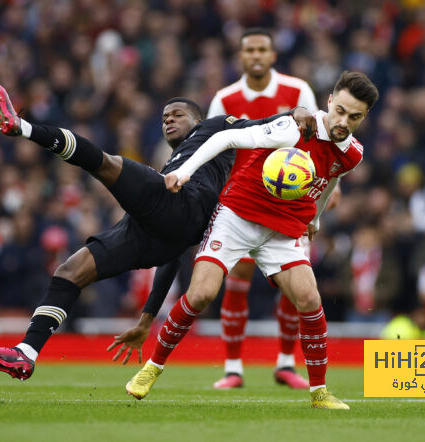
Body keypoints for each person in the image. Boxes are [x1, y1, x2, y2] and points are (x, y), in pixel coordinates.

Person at [0, 83, 315, 379]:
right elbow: (173, 253)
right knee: (71, 271)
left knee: (106, 163)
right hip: (161, 232)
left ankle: (22, 128)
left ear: (197, 119)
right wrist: (147, 319)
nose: (169, 118)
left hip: (184, 202)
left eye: (177, 113)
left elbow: (260, 124)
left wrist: (295, 112)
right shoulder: (174, 164)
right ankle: (26, 353)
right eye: (165, 116)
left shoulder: (215, 126)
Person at [123, 71, 379, 409]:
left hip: (283, 228)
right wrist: (184, 172)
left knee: (309, 300)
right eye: (340, 111)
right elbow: (227, 139)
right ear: (329, 102)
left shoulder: (353, 154)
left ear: (364, 117)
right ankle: (151, 368)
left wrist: (315, 217)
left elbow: (330, 180)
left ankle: (319, 393)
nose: (343, 121)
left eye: (354, 116)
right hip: (238, 216)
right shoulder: (294, 127)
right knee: (200, 295)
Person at [206, 27, 325, 389]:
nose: (256, 56)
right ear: (240, 57)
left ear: (273, 55)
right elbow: (215, 148)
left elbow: (318, 143)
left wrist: (325, 192)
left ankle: (286, 363)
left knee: (296, 284)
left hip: (290, 204)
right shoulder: (225, 99)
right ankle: (233, 368)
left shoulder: (297, 91)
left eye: (262, 50)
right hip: (243, 203)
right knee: (237, 280)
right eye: (249, 50)